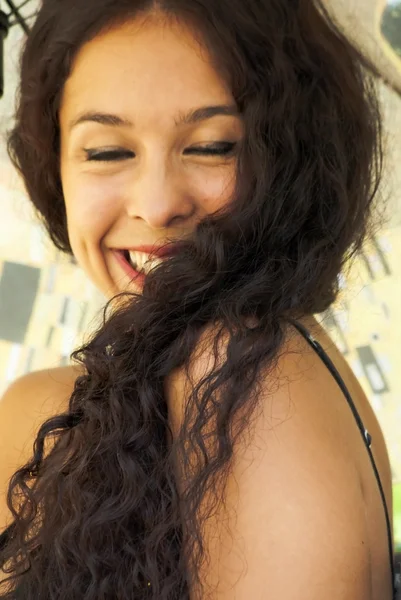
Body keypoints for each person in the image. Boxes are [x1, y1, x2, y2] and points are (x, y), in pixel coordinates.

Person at [0, 0, 398, 598]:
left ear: (293, 158)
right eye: (108, 151)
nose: (158, 205)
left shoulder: (244, 372)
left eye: (212, 146)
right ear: (54, 167)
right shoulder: (49, 410)